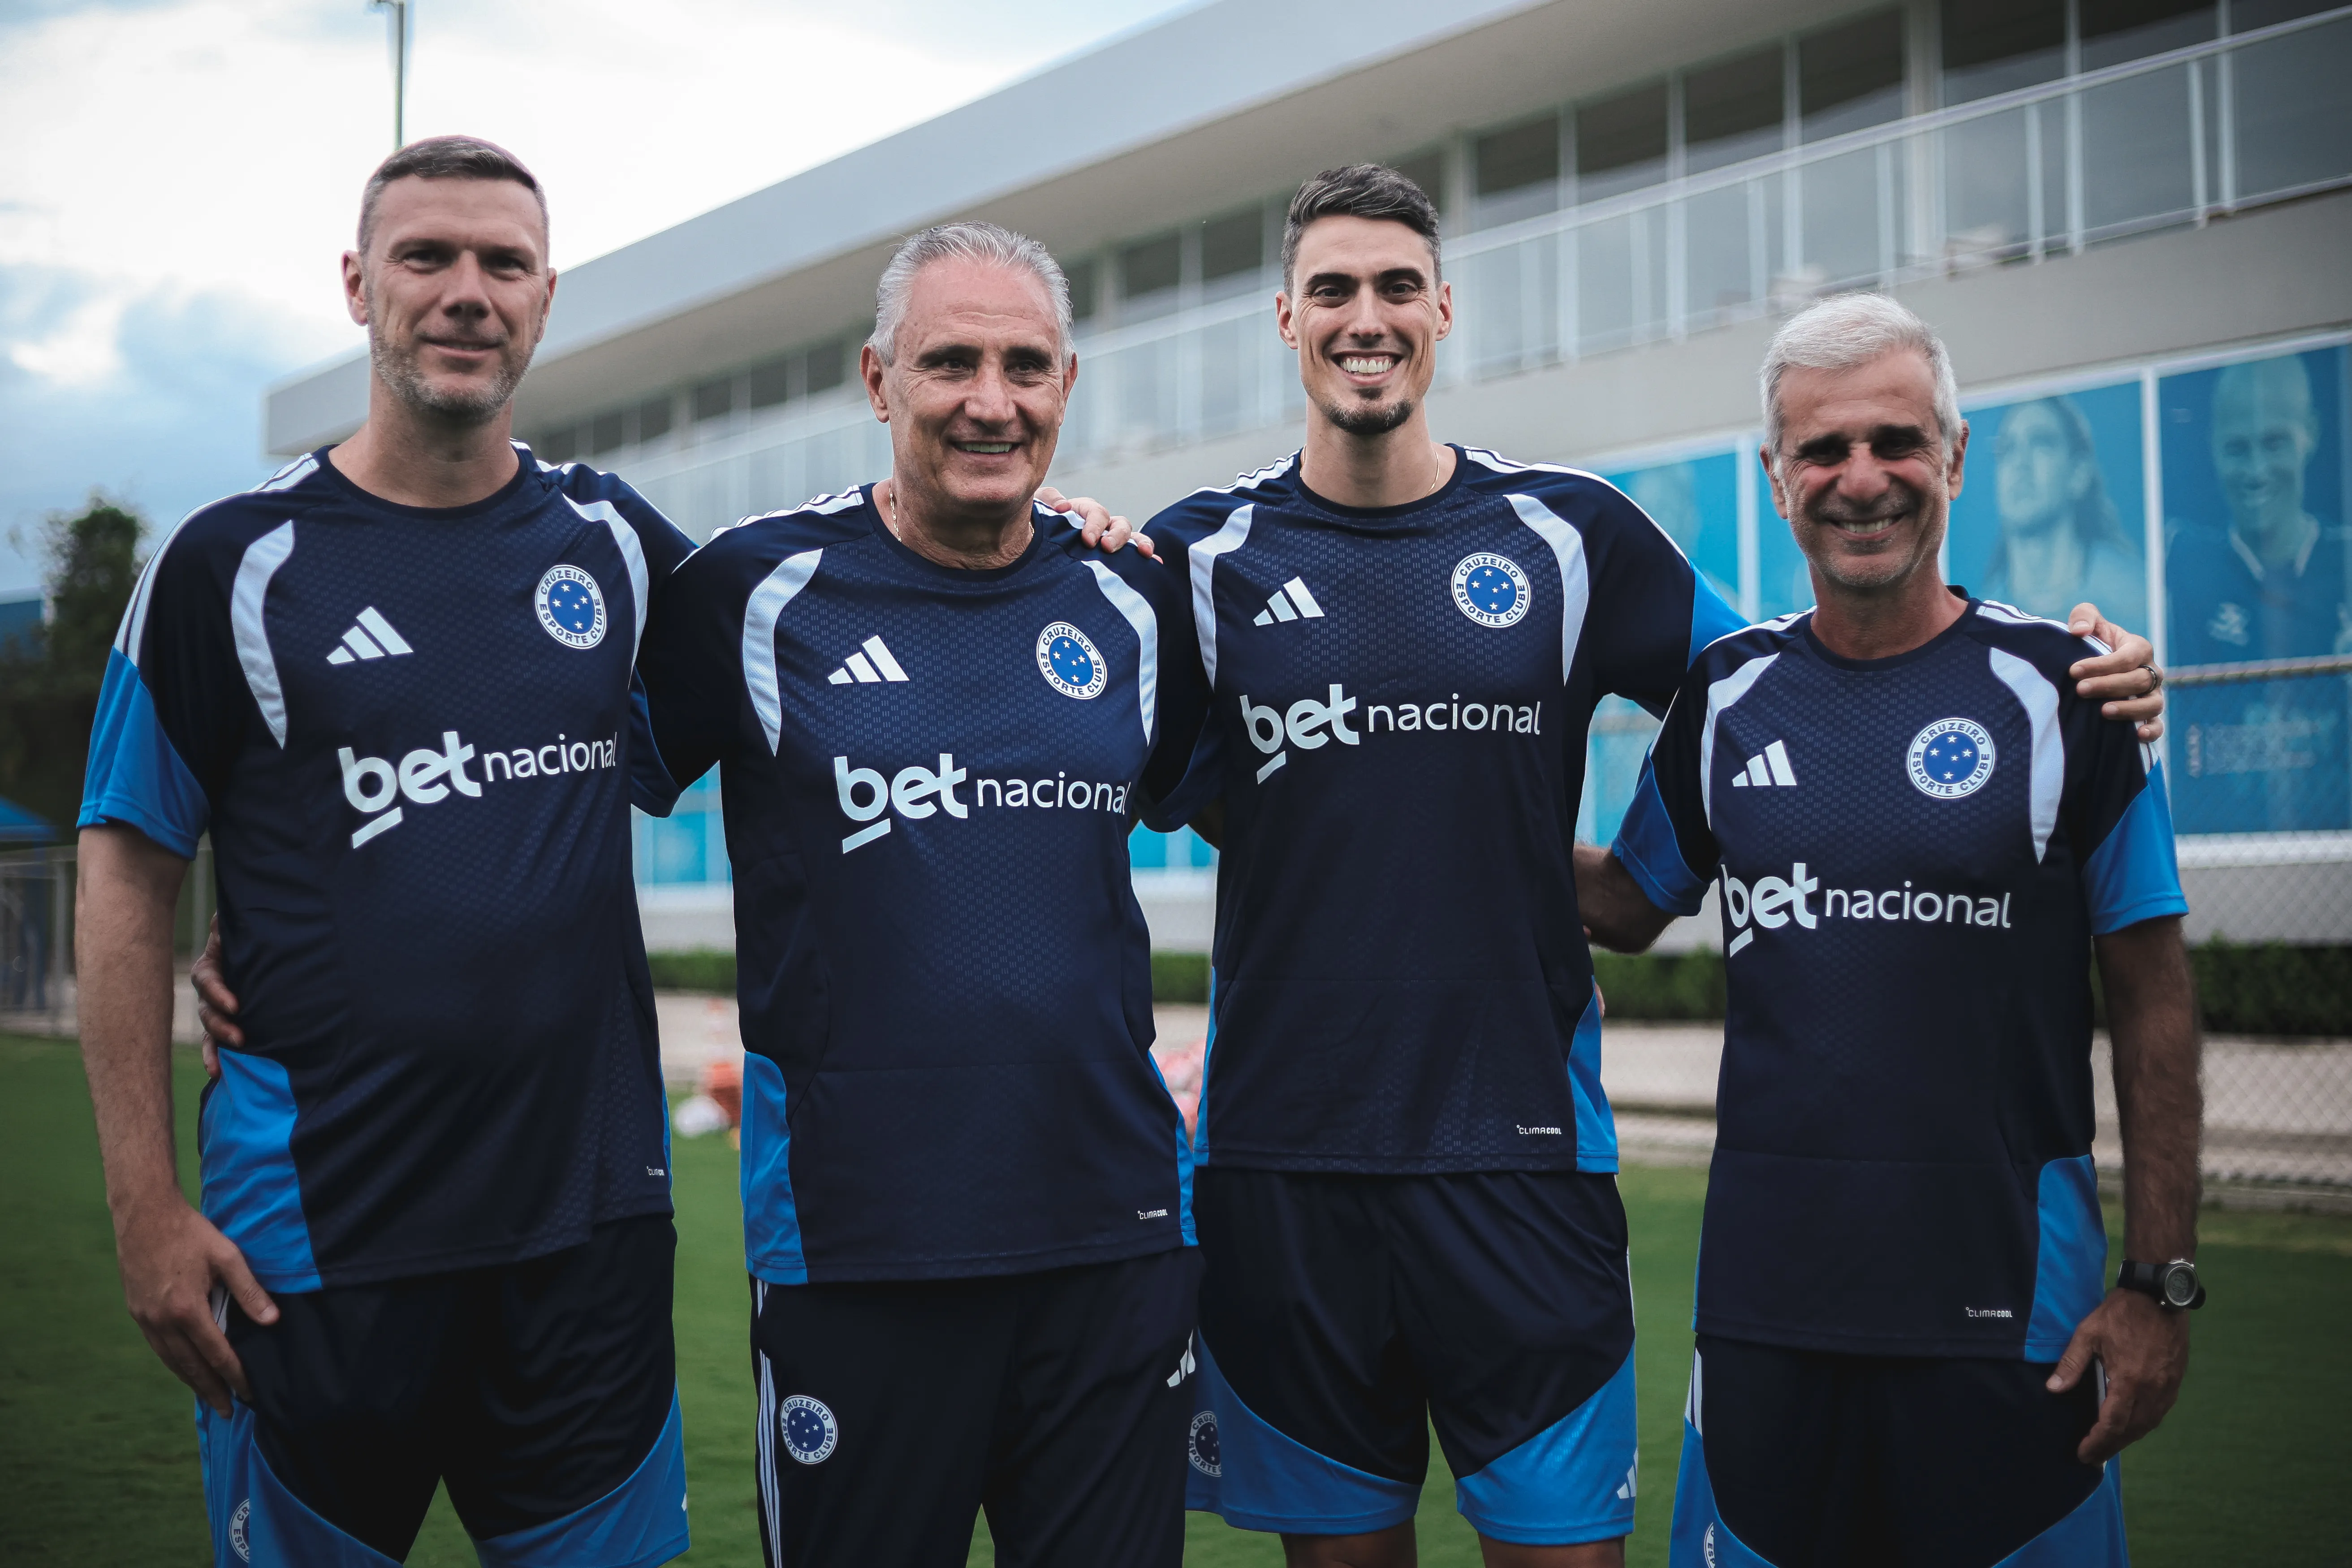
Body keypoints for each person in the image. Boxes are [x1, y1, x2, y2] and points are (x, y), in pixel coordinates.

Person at [1141, 167, 2166, 1568]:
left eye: (1395, 286)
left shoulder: (1571, 536)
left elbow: (1805, 683)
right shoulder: (1196, 559)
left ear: (1442, 310)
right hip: (1278, 1163)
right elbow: (1097, 739)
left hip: (1520, 1163)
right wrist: (1073, 529)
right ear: (1286, 317)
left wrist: (2069, 671)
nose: (1364, 316)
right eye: (1332, 288)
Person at [77, 137, 697, 1566]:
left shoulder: (611, 545)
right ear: (360, 285)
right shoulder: (227, 562)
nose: (466, 292)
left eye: (504, 264)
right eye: (428, 258)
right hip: (316, 1234)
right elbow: (127, 871)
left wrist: (1068, 528)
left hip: (585, 1230)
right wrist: (143, 1207)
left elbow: (851, 640)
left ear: (548, 300)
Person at [1579, 293, 2200, 1567]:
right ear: (1775, 478)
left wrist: (2158, 1284)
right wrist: (1405, 802)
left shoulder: (2069, 696)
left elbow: (2154, 1002)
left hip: (2010, 1329)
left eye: (1898, 442)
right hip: (1766, 1325)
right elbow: (1629, 905)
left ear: (1955, 457)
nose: (1862, 479)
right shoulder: (1727, 695)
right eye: (1822, 450)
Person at [631, 221, 1209, 1568]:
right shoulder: (751, 593)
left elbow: (1275, 815)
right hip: (860, 1241)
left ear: (1066, 382)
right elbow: (551, 789)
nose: (989, 400)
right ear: (879, 380)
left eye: (1023, 365)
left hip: (1110, 1236)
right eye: (950, 361)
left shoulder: (1135, 597)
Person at [2162, 353, 2352, 831]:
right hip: (2217, 829)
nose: (2256, 469)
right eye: (2236, 448)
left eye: (2274, 443)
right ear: (2211, 448)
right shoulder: (2182, 561)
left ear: (2309, 433)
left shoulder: (2342, 561)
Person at [1978, 395, 2144, 626]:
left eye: (2041, 444)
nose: (2020, 464)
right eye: (2007, 448)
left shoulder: (2134, 598)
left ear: (2079, 472)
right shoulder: (1981, 617)